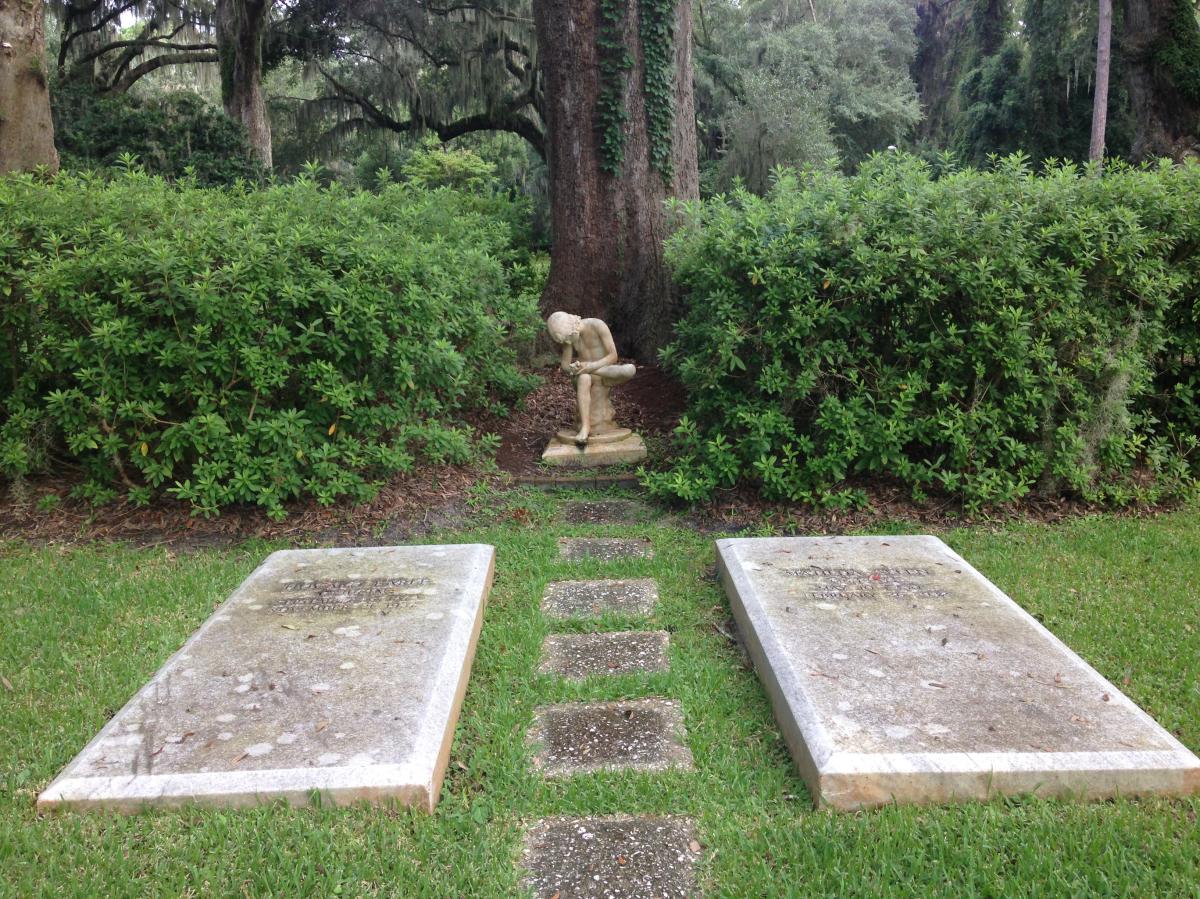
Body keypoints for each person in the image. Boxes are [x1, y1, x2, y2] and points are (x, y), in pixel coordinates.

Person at [546, 311, 635, 445]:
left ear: (573, 327)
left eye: (568, 339)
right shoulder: (570, 338)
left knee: (630, 369)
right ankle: (585, 427)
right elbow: (565, 365)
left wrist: (592, 366)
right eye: (565, 341)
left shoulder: (597, 325)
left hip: (603, 371)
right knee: (584, 378)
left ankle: (590, 371)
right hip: (584, 374)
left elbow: (613, 356)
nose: (568, 343)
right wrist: (573, 368)